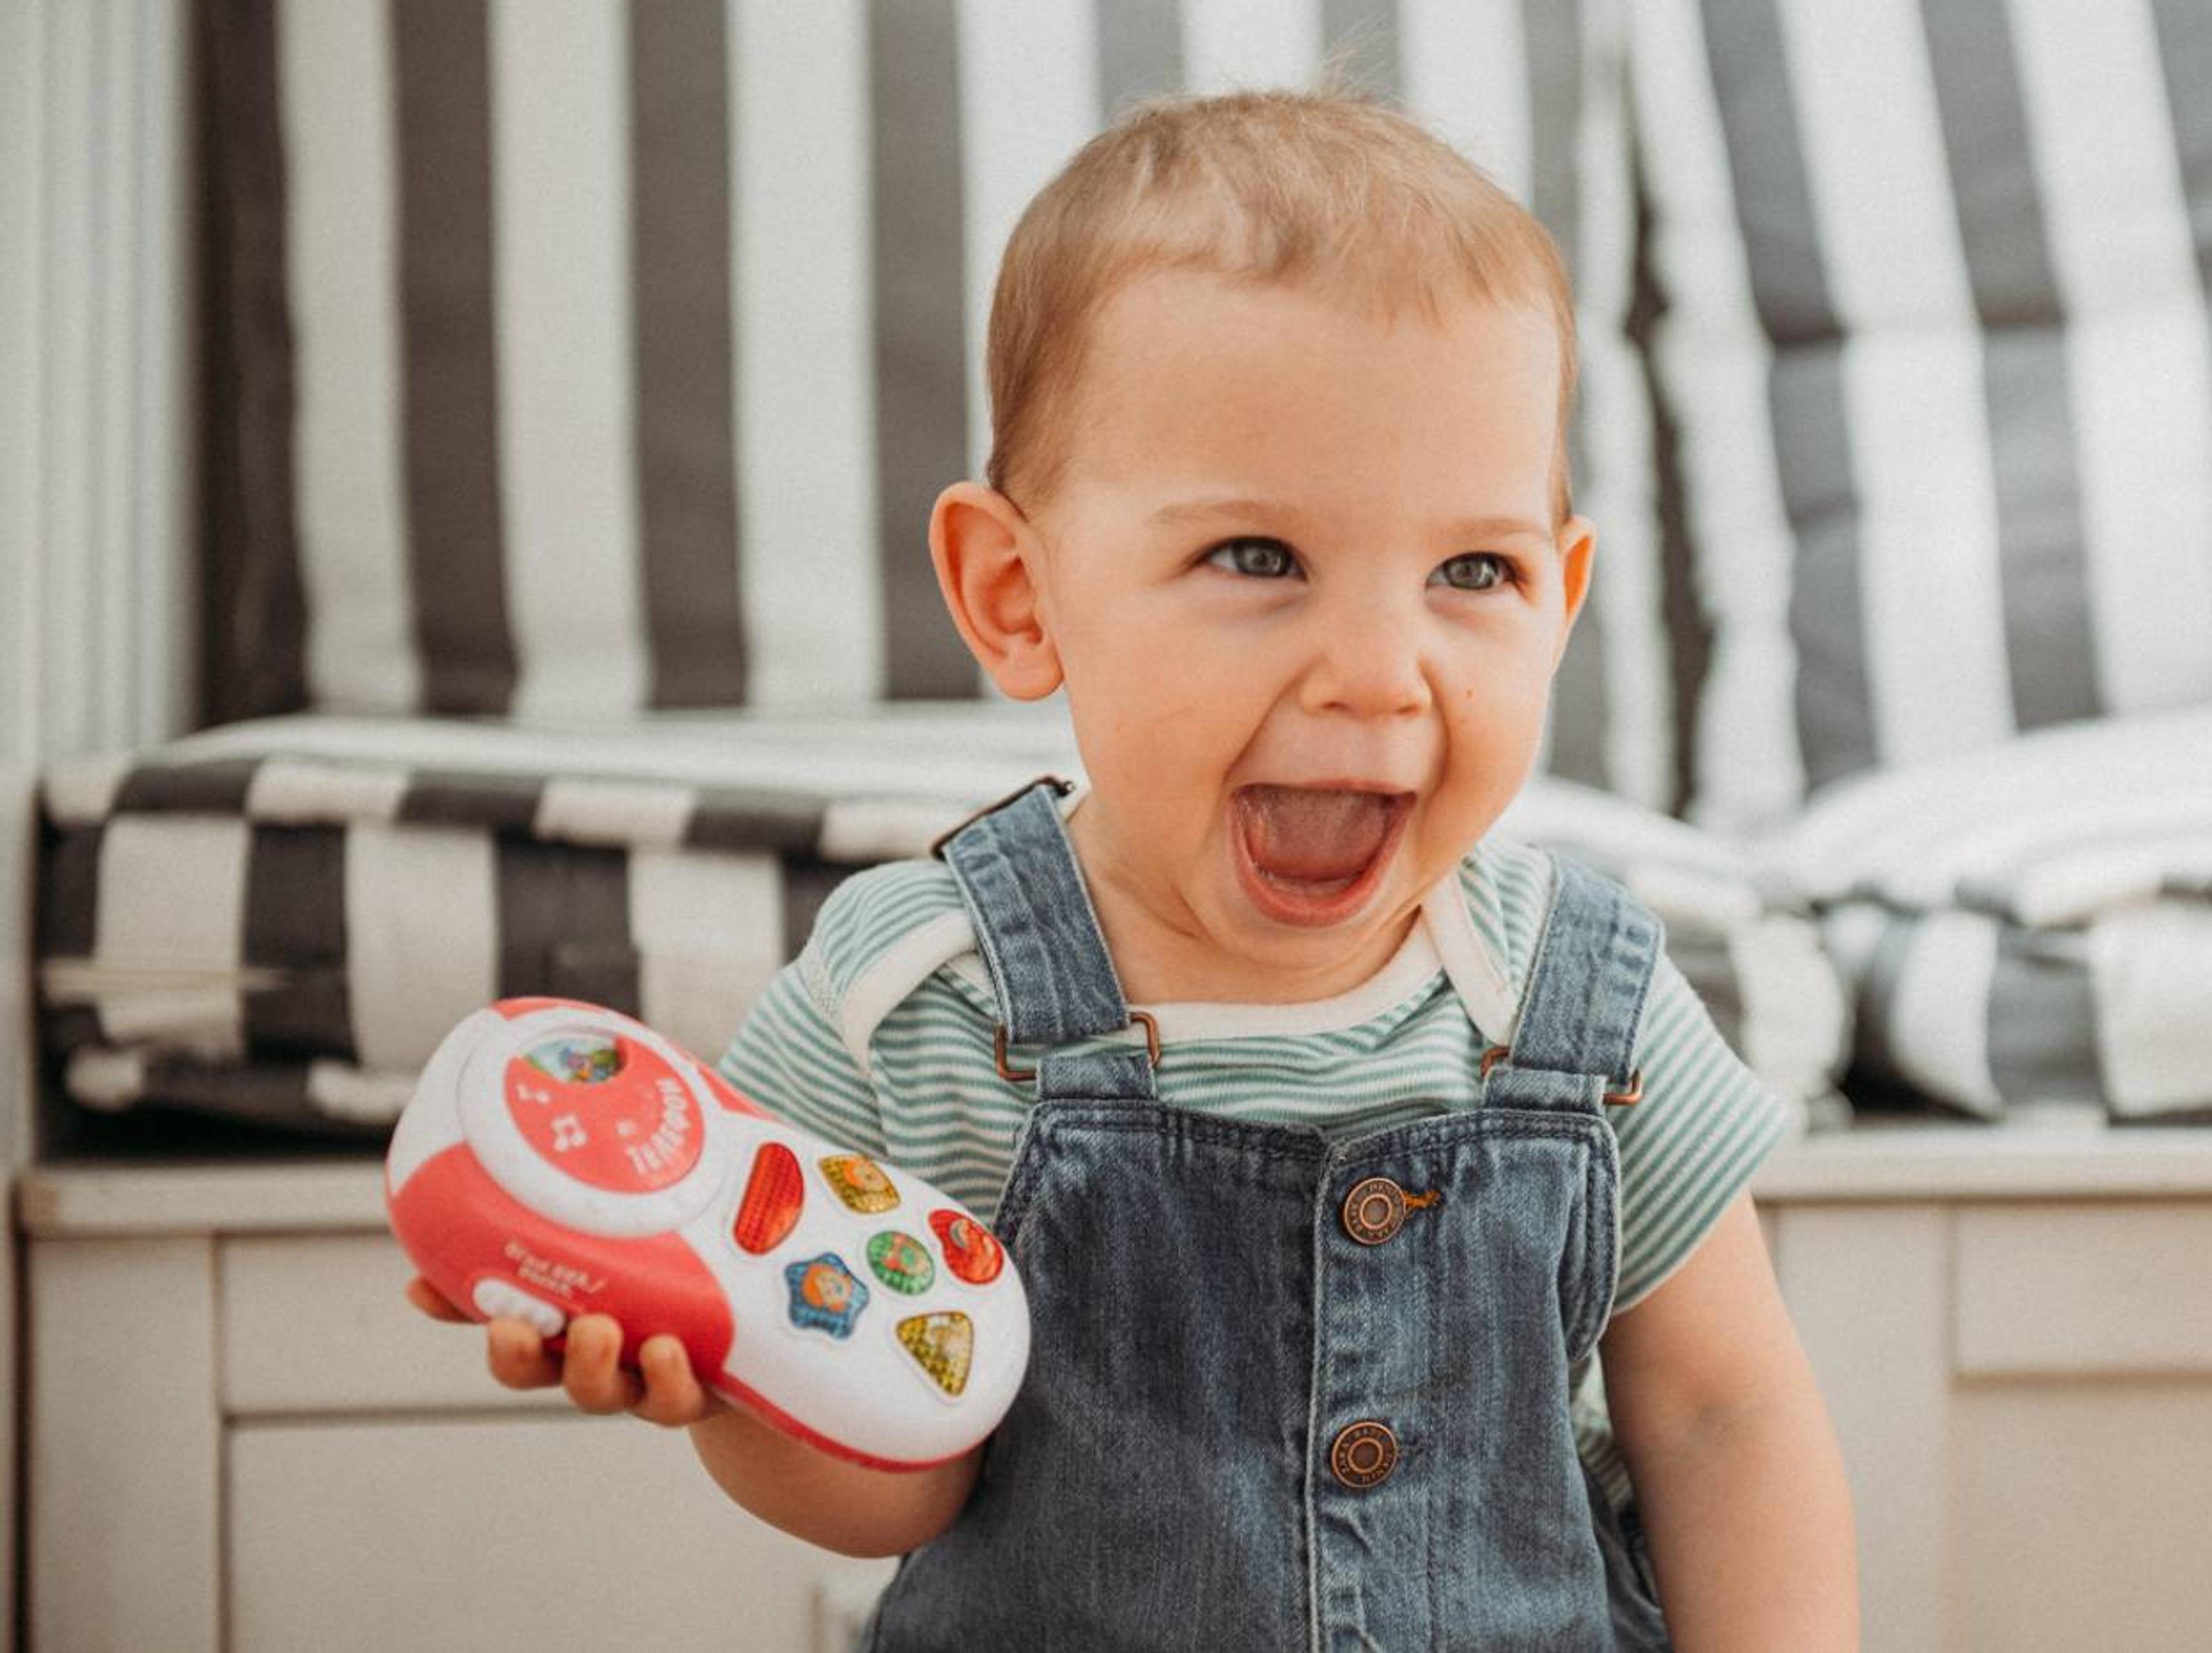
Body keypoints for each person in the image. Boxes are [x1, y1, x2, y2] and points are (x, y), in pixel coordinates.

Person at [408, 85, 1857, 1650]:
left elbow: (1722, 1417)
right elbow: (900, 1484)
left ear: (1562, 602)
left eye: (1471, 571)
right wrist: (729, 1363)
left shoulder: (1593, 1008)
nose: (1379, 671)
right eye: (1258, 558)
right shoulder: (917, 1002)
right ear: (1017, 592)